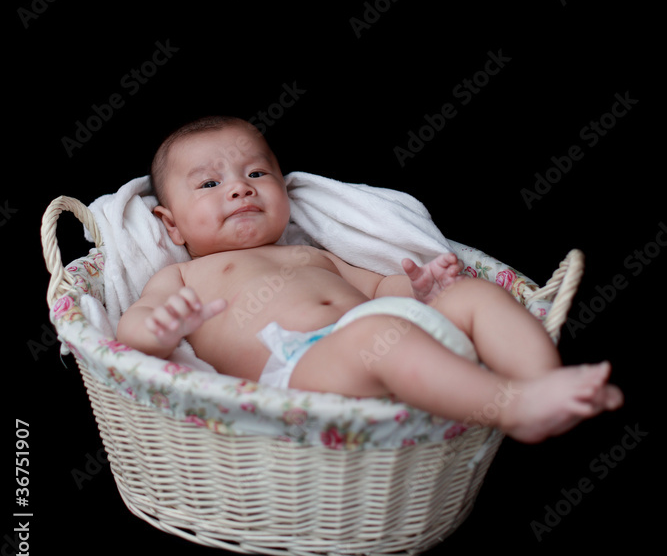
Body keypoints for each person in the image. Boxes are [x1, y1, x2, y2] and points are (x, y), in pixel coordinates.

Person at [116, 116, 623, 443]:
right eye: (209, 183)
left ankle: (541, 384)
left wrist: (421, 288)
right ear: (171, 223)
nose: (239, 190)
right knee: (379, 337)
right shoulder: (182, 275)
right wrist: (159, 331)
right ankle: (513, 408)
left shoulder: (313, 254)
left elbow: (380, 291)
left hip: (386, 331)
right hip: (300, 370)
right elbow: (130, 331)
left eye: (257, 174)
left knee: (472, 292)